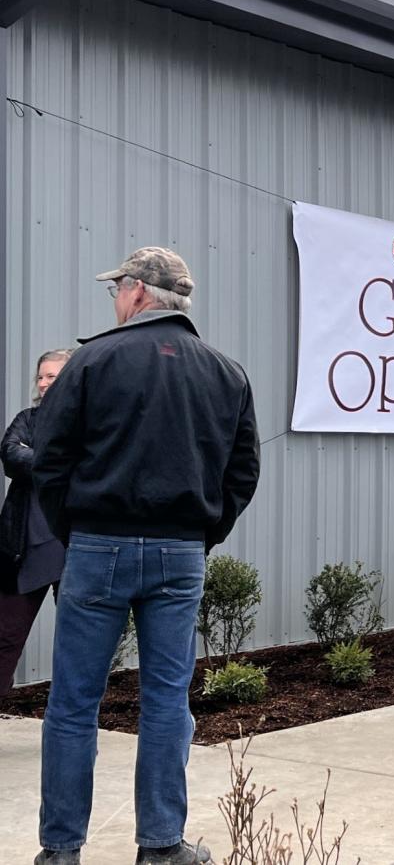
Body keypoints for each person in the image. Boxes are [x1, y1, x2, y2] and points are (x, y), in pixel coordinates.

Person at [31, 247, 261, 865]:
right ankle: (161, 847)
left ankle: (60, 851)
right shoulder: (226, 372)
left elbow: (49, 458)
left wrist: (75, 531)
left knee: (74, 703)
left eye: (117, 290)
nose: (115, 299)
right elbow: (243, 473)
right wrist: (201, 534)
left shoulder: (93, 359)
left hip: (97, 546)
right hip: (180, 551)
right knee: (165, 701)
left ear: (136, 292)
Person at [0, 349, 73, 695]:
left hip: (75, 546)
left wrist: (39, 458)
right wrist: (59, 462)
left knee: (78, 640)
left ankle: (73, 722)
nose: (43, 383)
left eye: (52, 377)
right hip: (25, 547)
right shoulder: (27, 419)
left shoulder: (90, 422)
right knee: (5, 636)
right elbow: (11, 456)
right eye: (40, 377)